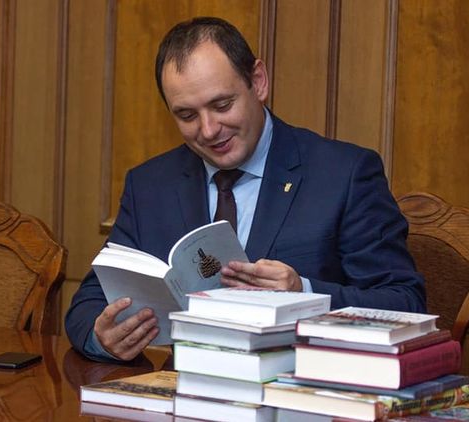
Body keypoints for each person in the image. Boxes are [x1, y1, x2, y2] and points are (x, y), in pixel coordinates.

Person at [65, 17, 425, 362]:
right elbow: (88, 305)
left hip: (301, 389)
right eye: (187, 115)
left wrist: (304, 293)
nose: (209, 130)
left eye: (222, 105)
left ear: (258, 81)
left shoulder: (344, 174)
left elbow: (405, 303)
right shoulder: (150, 185)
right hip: (188, 389)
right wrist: (102, 338)